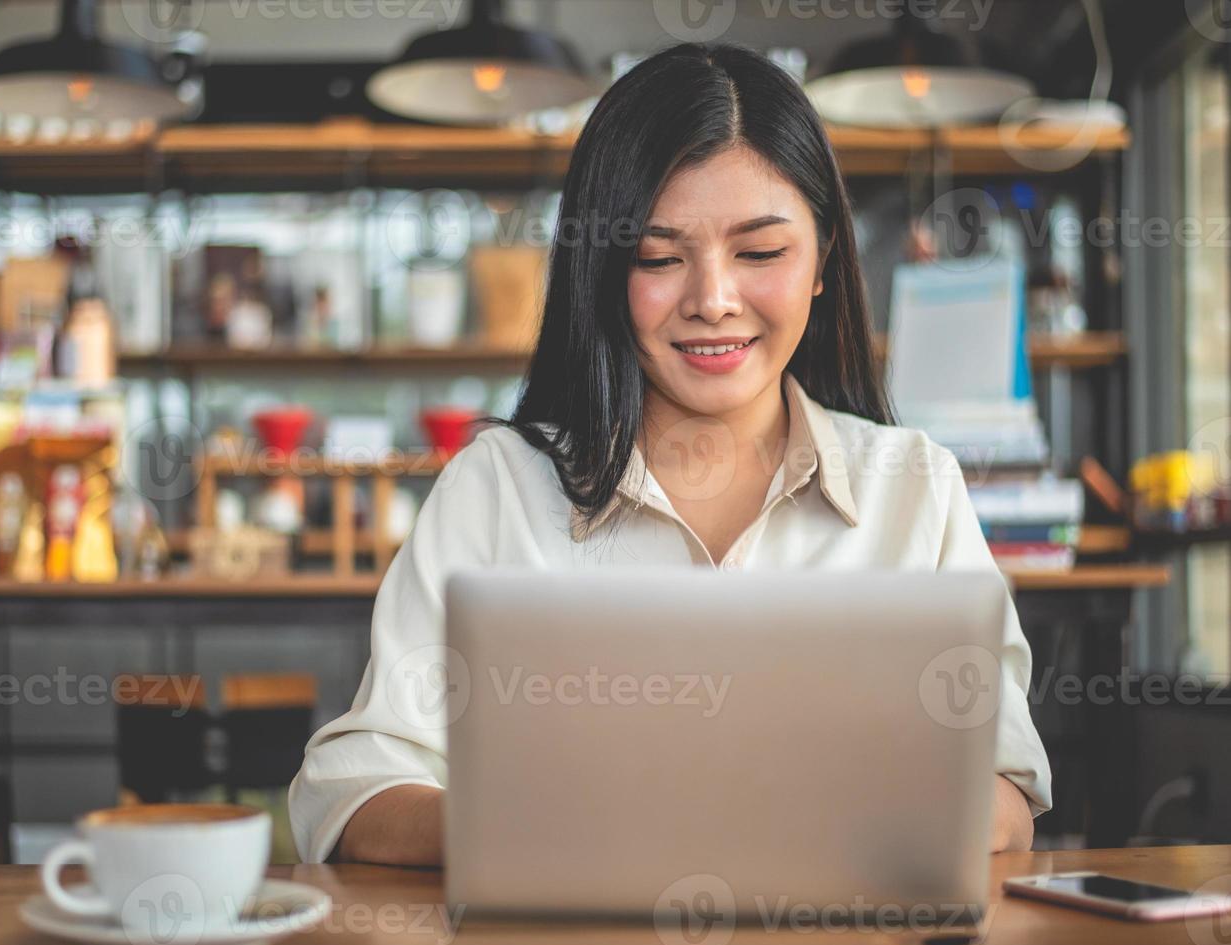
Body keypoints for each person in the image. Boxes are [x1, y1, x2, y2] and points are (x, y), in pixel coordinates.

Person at [289, 42, 1051, 867]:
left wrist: (822, 833)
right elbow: (351, 787)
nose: (712, 301)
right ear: (604, 271)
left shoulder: (914, 488)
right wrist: (534, 834)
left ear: (825, 261)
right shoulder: (499, 488)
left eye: (760, 253)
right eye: (658, 258)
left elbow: (1006, 791)